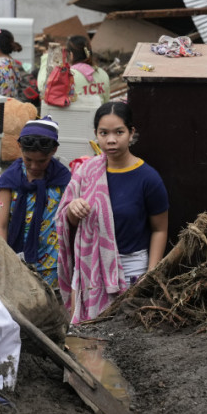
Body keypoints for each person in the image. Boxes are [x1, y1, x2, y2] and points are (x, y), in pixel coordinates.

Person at [56, 101, 168, 324]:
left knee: (126, 338)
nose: (111, 140)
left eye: (119, 132)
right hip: (90, 271)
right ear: (96, 134)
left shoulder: (148, 178)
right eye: (103, 133)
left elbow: (160, 229)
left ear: (131, 133)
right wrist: (72, 211)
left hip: (131, 269)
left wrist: (151, 274)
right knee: (88, 337)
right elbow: (66, 221)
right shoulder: (86, 172)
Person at [0, 116, 71, 289]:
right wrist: (5, 259)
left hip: (52, 262)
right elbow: (1, 225)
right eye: (28, 159)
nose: (34, 166)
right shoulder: (10, 180)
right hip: (15, 260)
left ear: (53, 151)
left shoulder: (64, 179)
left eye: (41, 161)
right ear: (20, 147)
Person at [37, 35, 110, 103]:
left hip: (74, 116)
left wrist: (46, 57)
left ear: (71, 55)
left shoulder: (68, 75)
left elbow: (43, 86)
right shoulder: (102, 74)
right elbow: (106, 103)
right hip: (98, 116)